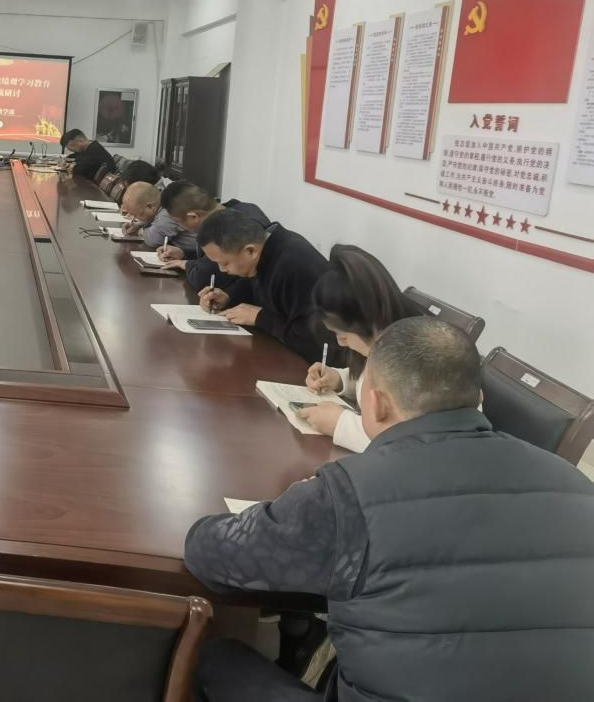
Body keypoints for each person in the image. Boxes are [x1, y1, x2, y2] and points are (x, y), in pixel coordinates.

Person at [186, 317, 594, 702]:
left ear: (376, 404)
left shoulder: (346, 494)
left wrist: (291, 508)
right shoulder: (577, 485)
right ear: (480, 399)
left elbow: (209, 555)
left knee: (213, 656)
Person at [297, 245, 423, 452]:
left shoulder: (422, 358)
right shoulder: (387, 340)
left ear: (367, 321)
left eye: (343, 335)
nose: (340, 343)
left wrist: (340, 425)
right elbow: (373, 382)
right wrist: (340, 380)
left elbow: (409, 446)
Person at [195, 209, 329, 362]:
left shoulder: (293, 266)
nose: (222, 270)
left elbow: (317, 343)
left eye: (224, 263)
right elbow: (256, 284)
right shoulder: (266, 248)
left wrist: (260, 317)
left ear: (251, 251)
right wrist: (229, 297)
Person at [159, 180, 272, 293]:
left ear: (193, 217)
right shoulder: (241, 209)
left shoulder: (231, 227)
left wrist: (186, 264)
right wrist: (183, 253)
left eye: (178, 222)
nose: (180, 226)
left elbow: (204, 277)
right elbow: (213, 259)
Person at [119, 182, 197, 254]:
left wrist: (139, 231)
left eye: (137, 215)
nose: (136, 219)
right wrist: (139, 224)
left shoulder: (168, 211)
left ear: (150, 206)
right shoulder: (161, 206)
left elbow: (153, 240)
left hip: (195, 257)